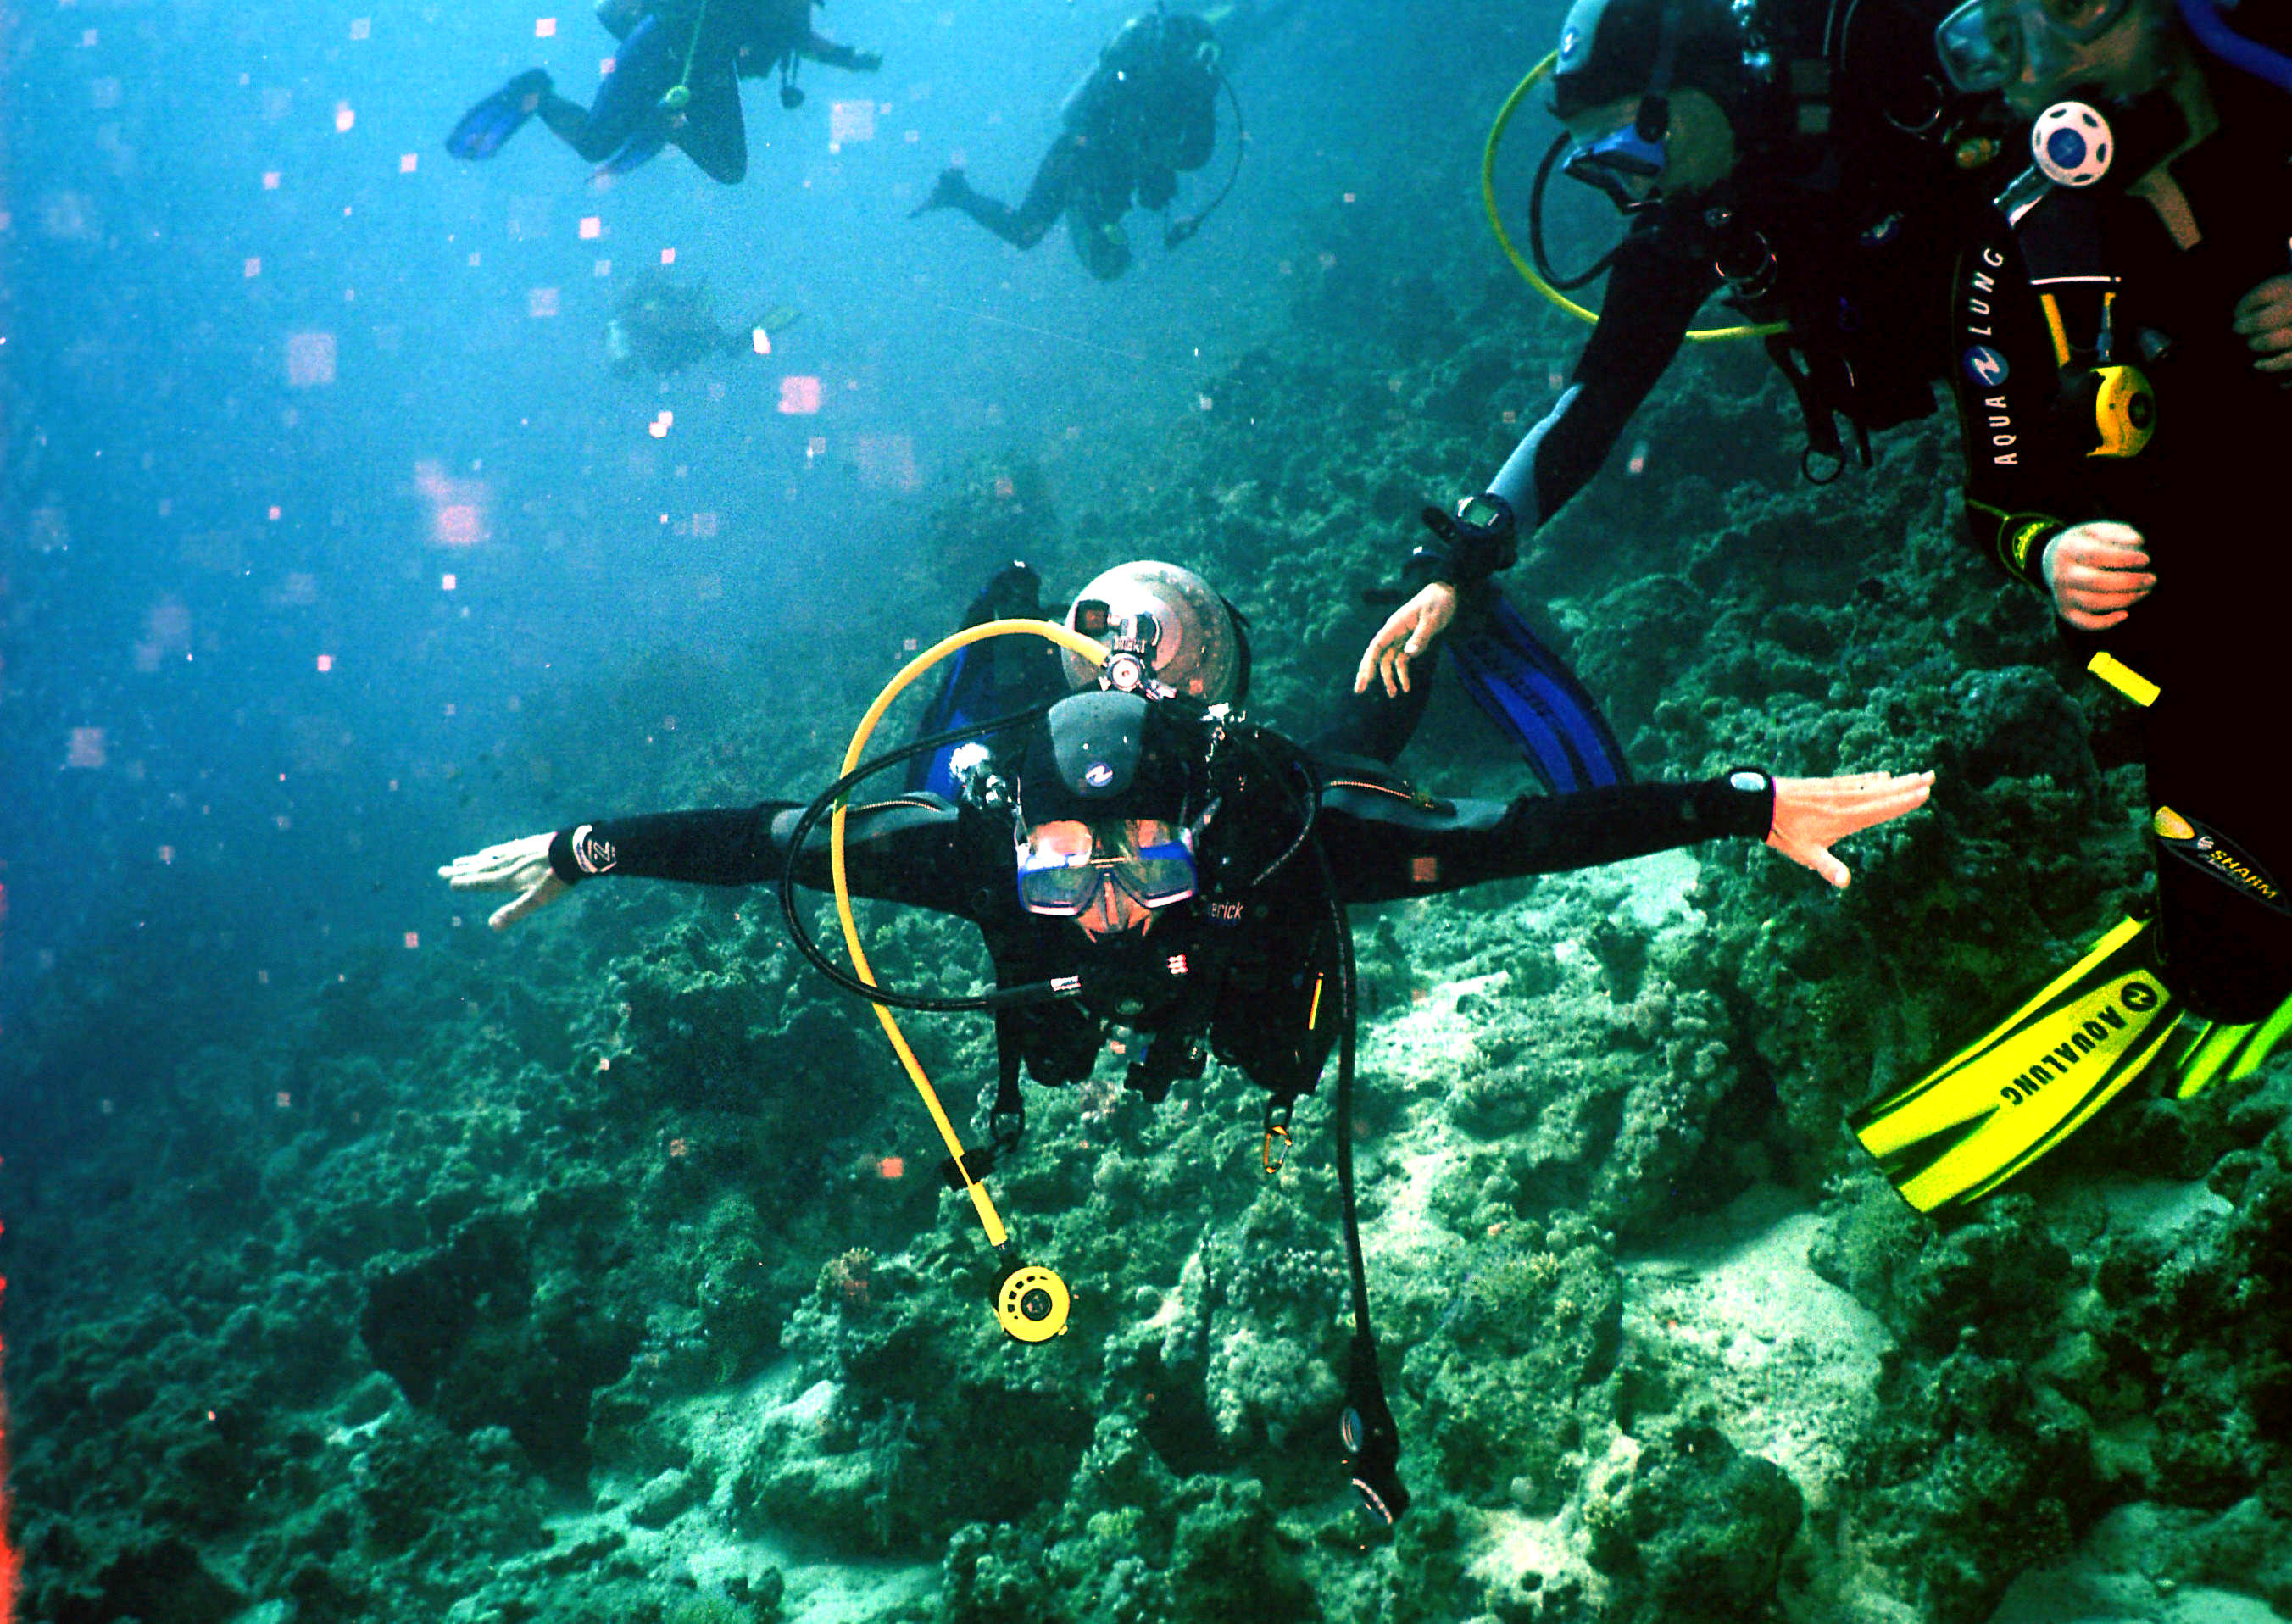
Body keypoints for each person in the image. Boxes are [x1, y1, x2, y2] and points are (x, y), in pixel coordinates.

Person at [1848, 0, 2292, 1214]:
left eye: (2081, 14)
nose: (2045, 70)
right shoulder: (2020, 241)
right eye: (2005, 39)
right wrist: (2048, 551)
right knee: (2227, 960)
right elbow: (1993, 498)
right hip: (2201, 635)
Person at [1354, 0, 2011, 737]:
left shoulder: (1878, 48)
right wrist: (1459, 559)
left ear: (1695, 87)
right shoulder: (1690, 226)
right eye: (1603, 165)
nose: (1638, 190)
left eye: (1632, 147)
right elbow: (1592, 403)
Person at [910, 8, 1227, 280]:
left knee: (1028, 231)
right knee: (1030, 231)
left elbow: (1175, 151)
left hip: (1084, 155)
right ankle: (955, 192)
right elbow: (1179, 152)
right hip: (1081, 156)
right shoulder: (1169, 89)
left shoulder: (1171, 88)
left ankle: (955, 192)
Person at [445, 0, 882, 183]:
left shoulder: (788, 7)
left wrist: (849, 58)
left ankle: (669, 126)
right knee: (595, 143)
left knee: (730, 168)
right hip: (658, 49)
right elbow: (794, 36)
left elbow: (799, 38)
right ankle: (537, 94)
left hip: (707, 71)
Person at [606, 274, 798, 377]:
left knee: (729, 345)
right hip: (677, 349)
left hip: (686, 342)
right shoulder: (635, 332)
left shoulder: (693, 324)